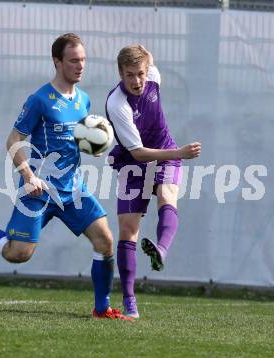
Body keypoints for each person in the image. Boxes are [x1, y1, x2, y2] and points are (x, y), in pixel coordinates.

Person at [0, 33, 132, 321]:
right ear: (57, 62)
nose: (81, 66)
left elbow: (75, 137)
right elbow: (13, 140)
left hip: (73, 189)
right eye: (74, 61)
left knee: (104, 240)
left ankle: (102, 309)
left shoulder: (83, 99)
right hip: (38, 190)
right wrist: (28, 175)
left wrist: (89, 146)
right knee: (18, 254)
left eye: (83, 61)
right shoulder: (40, 100)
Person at [105, 45, 201, 318]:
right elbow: (137, 153)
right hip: (135, 161)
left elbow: (150, 62)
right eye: (129, 75)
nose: (137, 81)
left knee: (168, 194)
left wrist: (146, 55)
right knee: (128, 229)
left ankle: (160, 249)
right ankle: (130, 302)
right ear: (120, 74)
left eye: (140, 74)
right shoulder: (117, 104)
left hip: (164, 153)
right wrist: (180, 153)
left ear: (148, 71)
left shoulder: (153, 77)